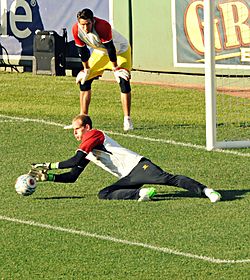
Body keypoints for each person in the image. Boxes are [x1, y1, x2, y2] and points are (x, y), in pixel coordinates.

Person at [30, 115, 221, 203]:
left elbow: (72, 161)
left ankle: (206, 190)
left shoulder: (94, 135)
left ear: (87, 127)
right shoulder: (87, 147)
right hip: (128, 177)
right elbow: (73, 175)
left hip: (138, 166)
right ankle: (141, 194)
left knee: (169, 179)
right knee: (104, 193)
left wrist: (48, 165)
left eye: (77, 129)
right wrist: (50, 177)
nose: (74, 133)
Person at [64, 8, 133, 132]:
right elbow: (83, 51)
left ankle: (127, 119)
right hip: (100, 52)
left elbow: (111, 48)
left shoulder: (102, 26)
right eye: (82, 24)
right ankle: (82, 118)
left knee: (123, 80)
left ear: (93, 21)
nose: (85, 28)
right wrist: (86, 69)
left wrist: (116, 68)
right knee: (84, 81)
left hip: (120, 51)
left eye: (88, 24)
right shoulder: (76, 29)